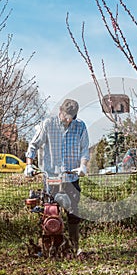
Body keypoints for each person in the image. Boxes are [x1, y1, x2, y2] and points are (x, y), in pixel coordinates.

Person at [24, 98, 90, 254]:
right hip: (51, 177)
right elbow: (33, 146)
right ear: (60, 110)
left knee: (73, 213)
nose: (68, 120)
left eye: (71, 118)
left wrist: (83, 166)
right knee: (49, 211)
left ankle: (74, 247)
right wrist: (28, 165)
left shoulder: (80, 127)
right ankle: (48, 246)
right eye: (66, 116)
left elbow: (84, 149)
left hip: (71, 177)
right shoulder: (48, 124)